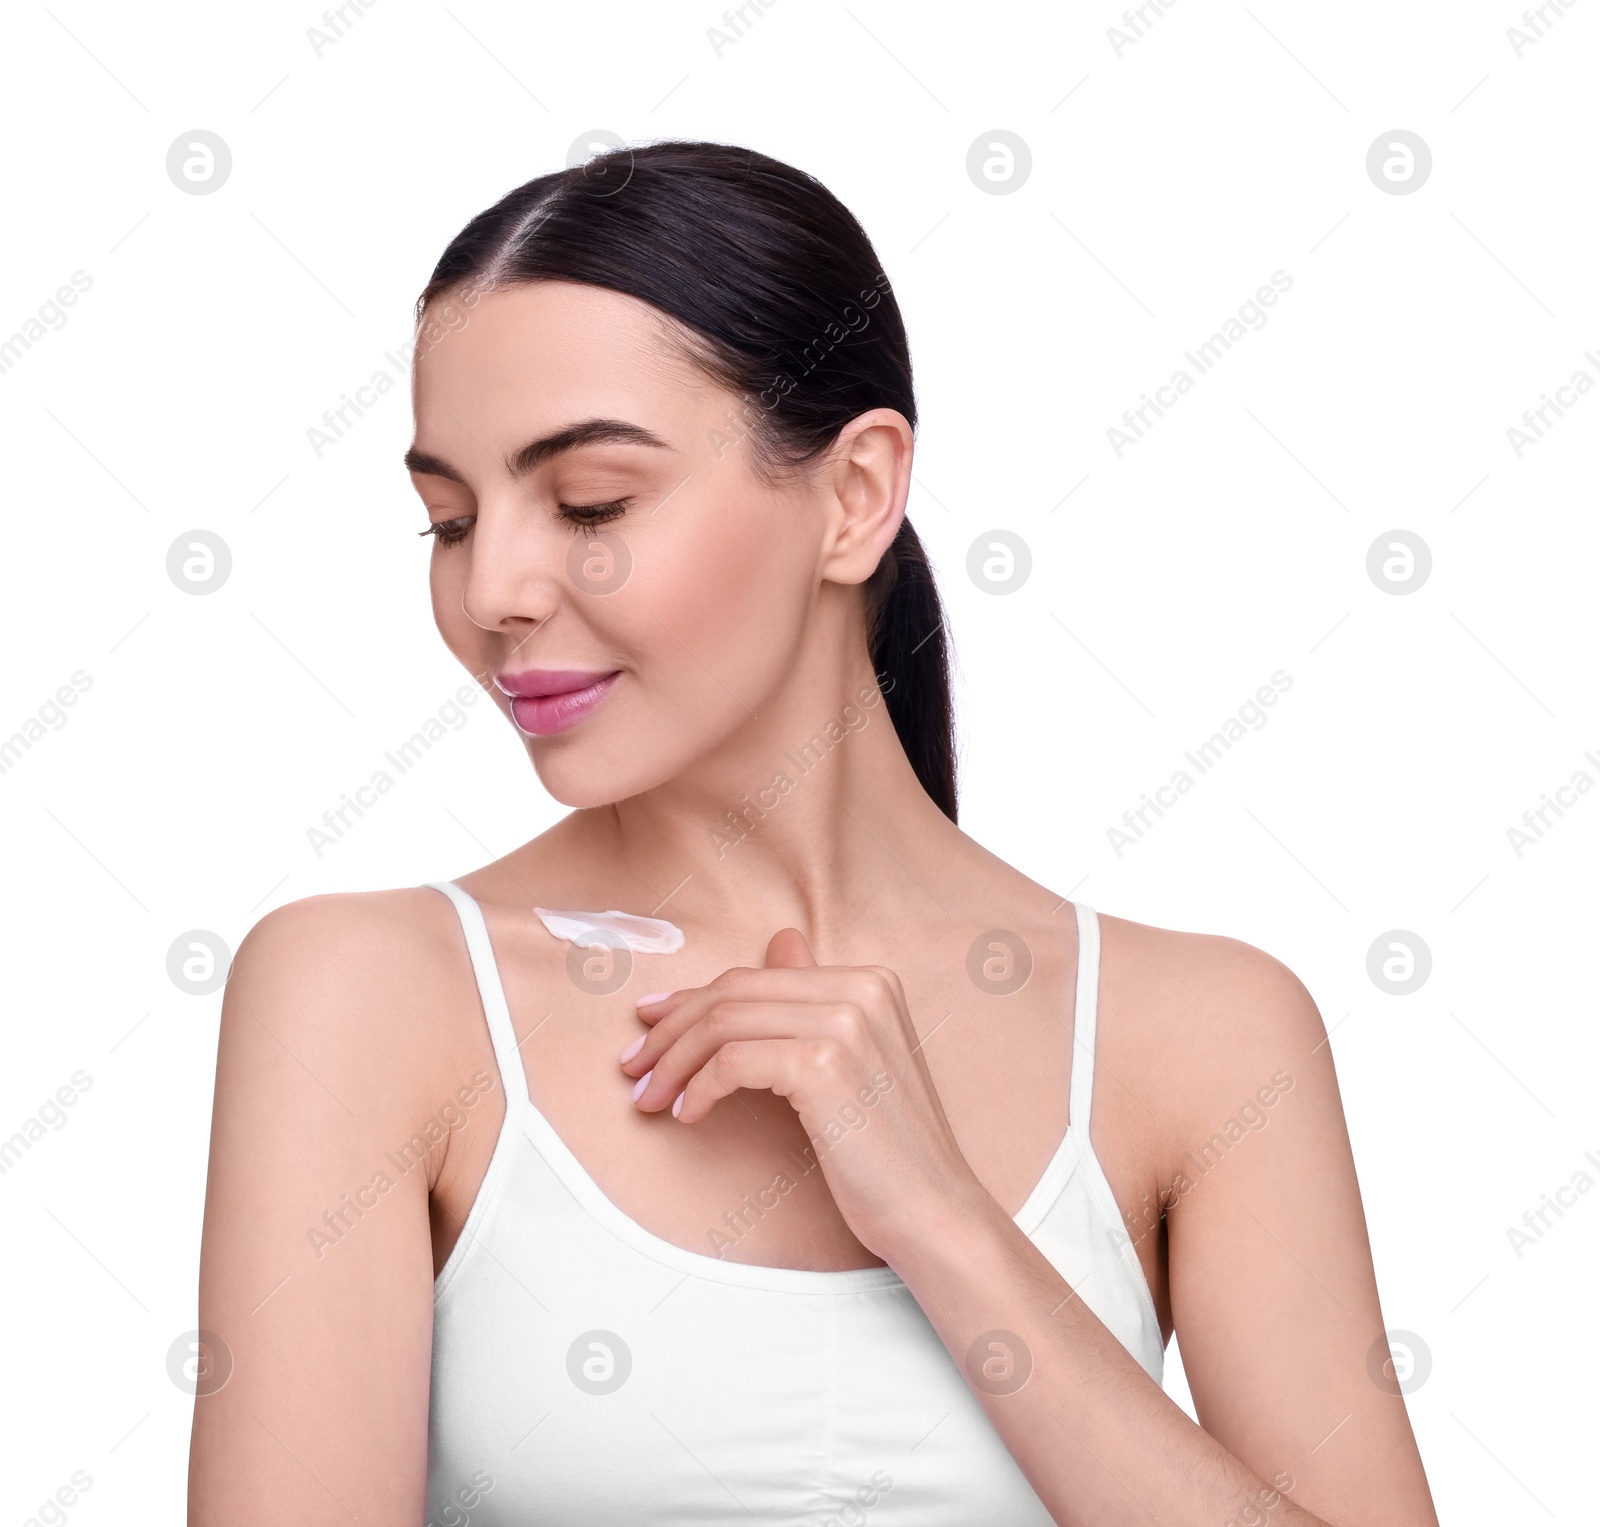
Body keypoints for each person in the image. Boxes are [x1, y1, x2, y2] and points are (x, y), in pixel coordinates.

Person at [189, 141, 1438, 1526]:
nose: (494, 590)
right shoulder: (367, 997)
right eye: (448, 520)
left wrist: (942, 1222)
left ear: (853, 495)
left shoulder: (1206, 1036)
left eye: (592, 503)